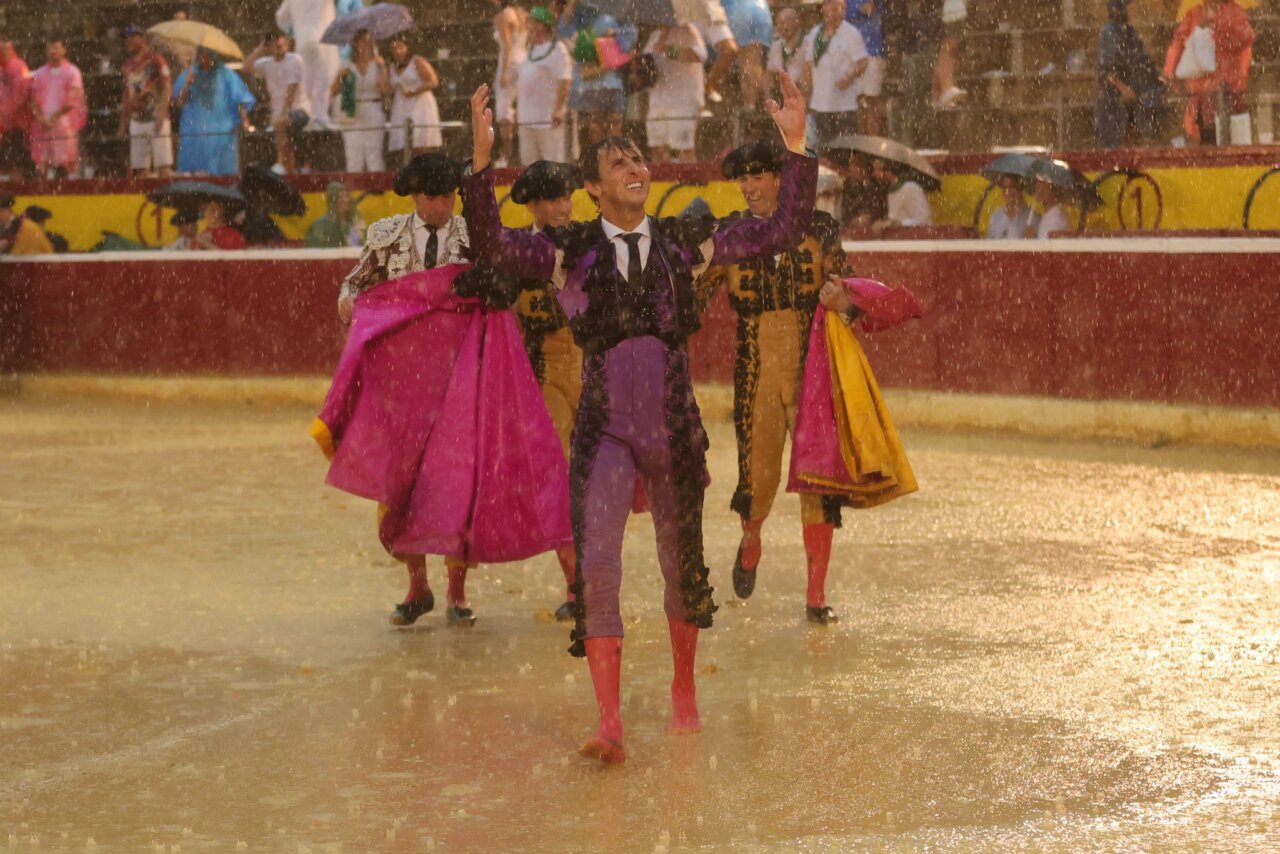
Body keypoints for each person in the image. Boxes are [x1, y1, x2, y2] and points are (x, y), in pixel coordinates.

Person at [461, 72, 817, 763]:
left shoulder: (689, 241)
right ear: (592, 188)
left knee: (681, 566)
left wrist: (796, 145)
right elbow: (495, 247)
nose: (633, 168)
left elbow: (784, 228)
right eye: (617, 162)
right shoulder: (570, 249)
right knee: (598, 567)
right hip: (606, 428)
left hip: (674, 426)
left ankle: (683, 688)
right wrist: (480, 166)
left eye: (638, 159)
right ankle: (610, 719)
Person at [694, 139, 852, 622]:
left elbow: (848, 289)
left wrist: (841, 297)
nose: (748, 188)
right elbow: (692, 296)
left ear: (781, 181)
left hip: (810, 369)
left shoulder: (819, 229)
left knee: (816, 479)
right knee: (758, 475)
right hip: (755, 367)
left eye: (757, 178)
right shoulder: (730, 235)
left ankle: (816, 595)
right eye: (743, 180)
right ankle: (751, 537)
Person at [337, 153, 483, 627]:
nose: (443, 205)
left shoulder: (473, 237)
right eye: (433, 197)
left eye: (449, 196)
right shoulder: (385, 237)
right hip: (402, 385)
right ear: (416, 196)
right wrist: (350, 304)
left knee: (456, 486)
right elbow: (355, 286)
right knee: (403, 488)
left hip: (456, 382)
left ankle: (457, 593)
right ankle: (418, 586)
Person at [508, 160, 587, 621]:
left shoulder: (593, 241)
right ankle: (578, 586)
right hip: (547, 376)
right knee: (560, 482)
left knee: (599, 482)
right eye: (551, 199)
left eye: (565, 197)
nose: (561, 207)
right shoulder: (520, 254)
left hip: (598, 371)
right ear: (534, 206)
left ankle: (595, 579)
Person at [1164, 0, 1255, 145]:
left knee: (1229, 138)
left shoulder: (1235, 12)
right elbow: (1178, 43)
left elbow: (1246, 38)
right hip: (1200, 91)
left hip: (1228, 89)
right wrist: (1169, 72)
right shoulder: (1194, 14)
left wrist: (1218, 28)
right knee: (1205, 137)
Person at [556, 2, 636, 150]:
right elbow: (563, 32)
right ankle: (599, 162)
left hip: (612, 82)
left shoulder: (617, 13)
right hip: (589, 83)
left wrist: (614, 36)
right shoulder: (581, 14)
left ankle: (616, 159)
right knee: (595, 127)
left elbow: (629, 42)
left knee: (615, 124)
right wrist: (570, 5)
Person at [1095, 0, 1165, 149]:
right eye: (1128, 5)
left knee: (1155, 93)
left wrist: (1156, 78)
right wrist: (1123, 88)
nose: (1132, 8)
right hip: (1117, 91)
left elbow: (1141, 61)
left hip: (1136, 85)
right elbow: (1107, 70)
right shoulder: (1109, 32)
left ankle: (1146, 139)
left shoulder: (1129, 31)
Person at [173, 49, 255, 176]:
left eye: (207, 54)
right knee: (196, 175)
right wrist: (187, 85)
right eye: (201, 54)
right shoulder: (188, 75)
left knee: (225, 173)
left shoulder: (227, 75)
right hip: (196, 134)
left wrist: (244, 120)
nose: (204, 58)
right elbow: (179, 103)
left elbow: (240, 99)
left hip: (222, 133)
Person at [803, 0, 868, 148]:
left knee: (844, 151)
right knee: (823, 151)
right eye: (834, 8)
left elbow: (863, 62)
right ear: (825, 9)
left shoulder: (851, 34)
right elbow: (808, 65)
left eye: (842, 9)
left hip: (844, 107)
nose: (839, 12)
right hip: (819, 106)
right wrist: (807, 92)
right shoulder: (815, 34)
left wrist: (849, 78)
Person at [515, 7, 572, 166]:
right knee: (529, 165)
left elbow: (565, 79)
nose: (528, 26)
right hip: (526, 119)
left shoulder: (558, 49)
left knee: (552, 163)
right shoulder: (528, 51)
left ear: (541, 25)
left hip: (548, 118)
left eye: (531, 22)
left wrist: (559, 108)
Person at [643, 23, 708, 164]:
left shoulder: (689, 31)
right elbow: (647, 68)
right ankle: (660, 184)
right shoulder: (655, 35)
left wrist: (670, 50)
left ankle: (689, 183)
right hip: (657, 101)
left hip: (684, 102)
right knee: (657, 149)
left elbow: (699, 55)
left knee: (684, 149)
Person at [247, 32, 310, 175]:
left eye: (282, 44)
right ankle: (291, 171)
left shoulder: (295, 59)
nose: (280, 47)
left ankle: (280, 162)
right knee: (283, 132)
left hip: (300, 110)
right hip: (280, 117)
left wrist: (283, 113)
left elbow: (291, 88)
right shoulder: (266, 63)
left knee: (281, 125)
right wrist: (259, 50)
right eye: (275, 45)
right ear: (269, 47)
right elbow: (246, 67)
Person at [119, 26, 173, 179]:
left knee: (164, 168)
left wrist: (162, 112)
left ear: (142, 38)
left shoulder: (156, 59)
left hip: (156, 117)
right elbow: (126, 93)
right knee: (141, 170)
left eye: (131, 37)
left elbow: (167, 85)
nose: (127, 41)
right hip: (137, 120)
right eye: (126, 38)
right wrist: (124, 121)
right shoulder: (127, 65)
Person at [275, 0, 339, 130]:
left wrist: (294, 29)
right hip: (322, 37)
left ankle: (308, 117)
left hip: (302, 40)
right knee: (323, 78)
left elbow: (280, 17)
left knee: (307, 81)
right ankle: (320, 117)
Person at [331, 29, 388, 173]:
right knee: (353, 154)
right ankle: (355, 190)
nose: (366, 44)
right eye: (362, 40)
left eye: (369, 40)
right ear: (355, 44)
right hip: (351, 109)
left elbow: (386, 91)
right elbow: (333, 90)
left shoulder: (378, 64)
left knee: (374, 153)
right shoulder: (346, 64)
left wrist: (382, 69)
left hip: (373, 108)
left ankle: (377, 190)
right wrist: (340, 76)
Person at [30, 39, 86, 179]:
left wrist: (54, 118)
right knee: (43, 166)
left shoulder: (73, 72)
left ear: (64, 50)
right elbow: (34, 99)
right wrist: (42, 119)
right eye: (49, 48)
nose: (52, 52)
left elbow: (72, 100)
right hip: (44, 127)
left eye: (55, 48)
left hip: (65, 126)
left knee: (64, 165)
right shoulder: (40, 73)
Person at [386, 34, 442, 160]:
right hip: (401, 107)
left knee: (421, 144)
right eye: (394, 48)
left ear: (407, 48)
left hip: (420, 106)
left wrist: (414, 91)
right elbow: (388, 88)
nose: (397, 51)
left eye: (400, 47)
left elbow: (433, 81)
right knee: (402, 144)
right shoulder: (391, 67)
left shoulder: (417, 62)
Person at [491, 0, 528, 168]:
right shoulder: (522, 13)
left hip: (510, 63)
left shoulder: (504, 15)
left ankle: (507, 156)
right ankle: (519, 154)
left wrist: (504, 72)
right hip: (524, 61)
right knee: (520, 109)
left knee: (505, 112)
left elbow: (507, 44)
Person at [722, 0, 773, 109]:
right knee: (755, 60)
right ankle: (757, 101)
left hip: (739, 12)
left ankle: (749, 103)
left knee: (745, 62)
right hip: (761, 11)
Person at [846, 1, 885, 134]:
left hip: (871, 53)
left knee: (871, 101)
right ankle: (862, 148)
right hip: (851, 56)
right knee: (858, 103)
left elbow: (868, 8)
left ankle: (873, 146)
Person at [0, 37, 32, 180]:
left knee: (16, 159)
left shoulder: (20, 67)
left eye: (6, 48)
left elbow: (21, 96)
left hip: (17, 125)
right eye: (1, 49)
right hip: (4, 125)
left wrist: (4, 110)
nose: (3, 52)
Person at [873, 157, 932, 229]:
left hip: (916, 237)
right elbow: (894, 219)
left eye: (876, 169)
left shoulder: (911, 187)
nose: (873, 174)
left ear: (888, 171)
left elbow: (924, 219)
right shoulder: (890, 191)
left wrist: (901, 223)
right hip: (899, 238)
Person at [305, 181, 365, 248]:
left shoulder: (354, 223)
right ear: (332, 201)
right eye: (339, 197)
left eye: (346, 196)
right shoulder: (321, 226)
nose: (345, 200)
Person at [933, 0, 968, 108]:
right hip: (952, 13)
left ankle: (942, 92)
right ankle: (945, 89)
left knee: (949, 48)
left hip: (957, 11)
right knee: (948, 47)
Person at [766, 8, 807, 98]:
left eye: (785, 22)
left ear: (796, 22)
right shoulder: (776, 46)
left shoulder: (807, 44)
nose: (781, 27)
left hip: (802, 95)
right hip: (783, 97)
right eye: (778, 23)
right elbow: (769, 74)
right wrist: (768, 98)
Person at [986, 175, 1039, 239]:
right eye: (1005, 187)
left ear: (1022, 189)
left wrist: (1030, 240)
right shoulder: (996, 216)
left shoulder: (1033, 218)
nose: (1009, 191)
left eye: (1013, 187)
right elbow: (990, 244)